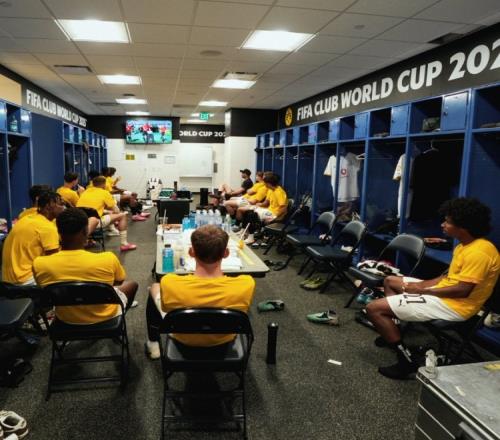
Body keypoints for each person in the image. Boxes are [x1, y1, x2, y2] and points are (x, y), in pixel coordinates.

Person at [367, 198, 500, 379]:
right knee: (390, 281)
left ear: (463, 226)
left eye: (448, 222)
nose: (443, 225)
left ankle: (406, 361)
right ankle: (393, 332)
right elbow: (447, 277)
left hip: (456, 306)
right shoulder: (465, 245)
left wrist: (422, 291)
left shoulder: (480, 253)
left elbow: (463, 290)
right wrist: (421, 285)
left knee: (373, 309)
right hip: (444, 295)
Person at [145, 225, 255, 359]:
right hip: (224, 341)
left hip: (182, 339)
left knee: (155, 287)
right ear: (226, 253)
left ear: (191, 252)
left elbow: (165, 308)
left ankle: (153, 343)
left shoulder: (169, 282)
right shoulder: (246, 284)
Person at [33, 208, 138, 324]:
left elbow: (44, 287)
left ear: (58, 232)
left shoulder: (39, 264)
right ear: (86, 231)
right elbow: (119, 281)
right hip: (106, 317)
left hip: (66, 320)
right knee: (132, 285)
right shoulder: (108, 258)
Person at [2, 191, 64, 285]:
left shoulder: (27, 218)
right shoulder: (47, 227)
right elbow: (54, 261)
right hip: (25, 279)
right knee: (68, 275)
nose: (63, 208)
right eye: (60, 204)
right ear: (48, 206)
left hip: (7, 279)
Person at [77, 176, 137, 252]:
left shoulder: (85, 192)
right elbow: (116, 211)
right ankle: (124, 244)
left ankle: (94, 238)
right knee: (122, 216)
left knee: (107, 213)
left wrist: (106, 211)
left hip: (80, 222)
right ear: (104, 184)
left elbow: (89, 208)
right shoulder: (105, 193)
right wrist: (111, 211)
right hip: (95, 222)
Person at [237, 173, 288, 244]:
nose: (264, 184)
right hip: (269, 211)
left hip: (274, 214)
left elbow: (284, 208)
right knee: (248, 211)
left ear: (269, 183)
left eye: (265, 183)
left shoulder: (279, 192)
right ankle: (244, 231)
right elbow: (266, 203)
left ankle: (251, 238)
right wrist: (259, 205)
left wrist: (274, 218)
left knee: (251, 214)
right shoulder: (271, 190)